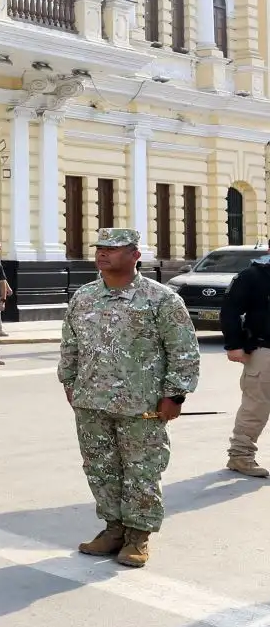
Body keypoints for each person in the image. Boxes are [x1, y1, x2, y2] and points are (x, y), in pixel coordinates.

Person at [60, 227, 200, 568]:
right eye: (100, 248)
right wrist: (69, 381)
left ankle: (138, 535)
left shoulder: (161, 298)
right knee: (100, 469)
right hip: (91, 402)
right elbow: (70, 344)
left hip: (142, 404)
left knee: (142, 470)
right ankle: (113, 529)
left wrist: (175, 395)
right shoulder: (84, 296)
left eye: (113, 249)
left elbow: (182, 350)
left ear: (135, 255)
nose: (103, 253)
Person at [220, 249, 270, 478]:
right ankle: (240, 456)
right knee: (255, 407)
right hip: (264, 350)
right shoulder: (253, 276)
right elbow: (230, 310)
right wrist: (233, 344)